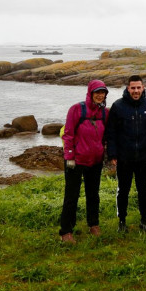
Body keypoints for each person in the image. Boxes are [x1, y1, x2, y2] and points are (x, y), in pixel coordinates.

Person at [106, 75, 146, 232]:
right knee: (123, 190)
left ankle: (144, 220)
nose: (136, 91)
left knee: (143, 190)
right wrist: (112, 154)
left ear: (143, 87)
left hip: (143, 156)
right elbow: (111, 133)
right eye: (133, 88)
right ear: (128, 88)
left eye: (139, 87)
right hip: (124, 157)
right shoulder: (118, 106)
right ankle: (122, 222)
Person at [59, 80, 109, 243]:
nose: (100, 95)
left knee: (93, 195)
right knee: (71, 196)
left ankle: (93, 224)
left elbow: (107, 135)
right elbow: (68, 134)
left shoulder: (104, 113)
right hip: (76, 161)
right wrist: (70, 156)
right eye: (97, 92)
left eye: (103, 92)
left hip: (95, 160)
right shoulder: (76, 109)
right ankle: (66, 231)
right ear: (90, 93)